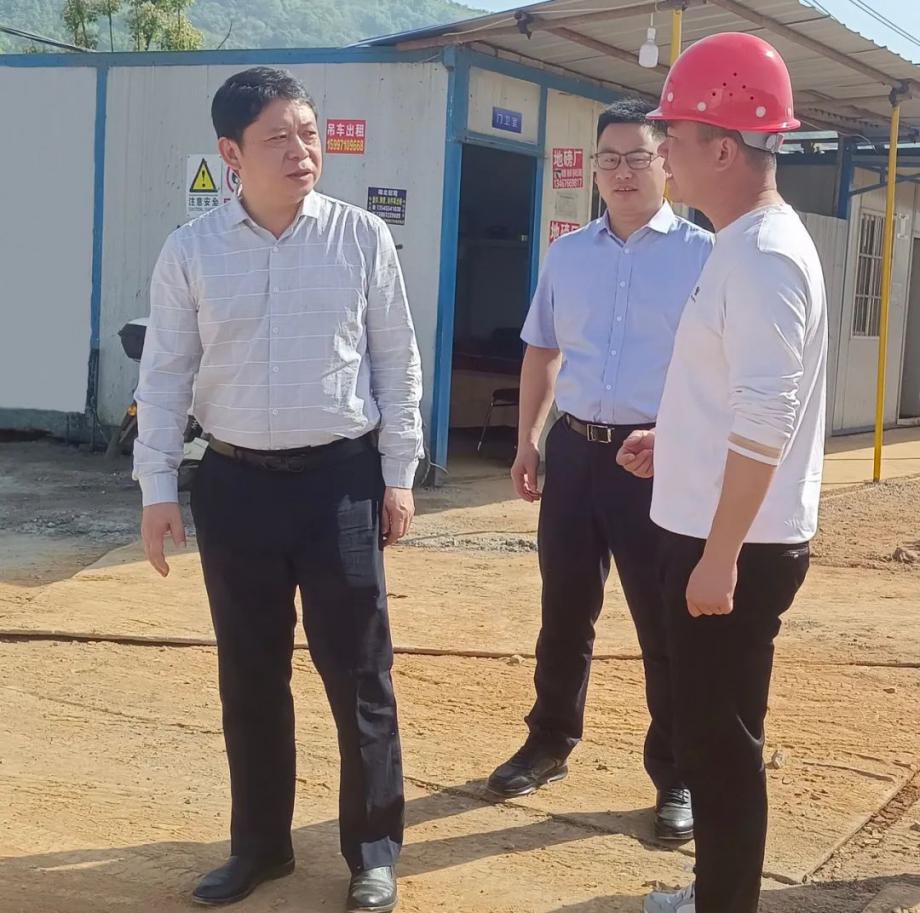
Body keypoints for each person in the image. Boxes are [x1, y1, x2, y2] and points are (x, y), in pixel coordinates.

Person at [134, 66, 423, 913]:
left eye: (309, 132)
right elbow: (165, 374)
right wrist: (157, 486)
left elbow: (396, 361)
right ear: (231, 154)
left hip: (340, 483)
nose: (302, 151)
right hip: (234, 485)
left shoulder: (360, 237)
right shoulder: (192, 251)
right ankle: (260, 848)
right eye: (278, 138)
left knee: (359, 673)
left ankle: (372, 851)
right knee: (250, 676)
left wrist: (398, 474)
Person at [616, 34, 828, 913]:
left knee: (719, 744)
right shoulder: (740, 244)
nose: (661, 152)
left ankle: (723, 904)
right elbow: (736, 399)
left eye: (673, 136)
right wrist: (675, 439)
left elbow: (768, 417)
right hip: (715, 530)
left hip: (731, 547)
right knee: (712, 734)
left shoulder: (764, 257)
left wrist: (720, 555)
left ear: (725, 149)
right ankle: (717, 894)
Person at [486, 99, 713, 842]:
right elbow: (543, 350)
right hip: (576, 451)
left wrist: (676, 435)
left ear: (664, 164)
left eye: (637, 157)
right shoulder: (568, 255)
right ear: (592, 170)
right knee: (564, 609)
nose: (622, 172)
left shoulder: (702, 256)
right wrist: (528, 439)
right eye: (608, 159)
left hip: (656, 458)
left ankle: (677, 772)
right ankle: (549, 740)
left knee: (663, 619)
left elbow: (719, 370)